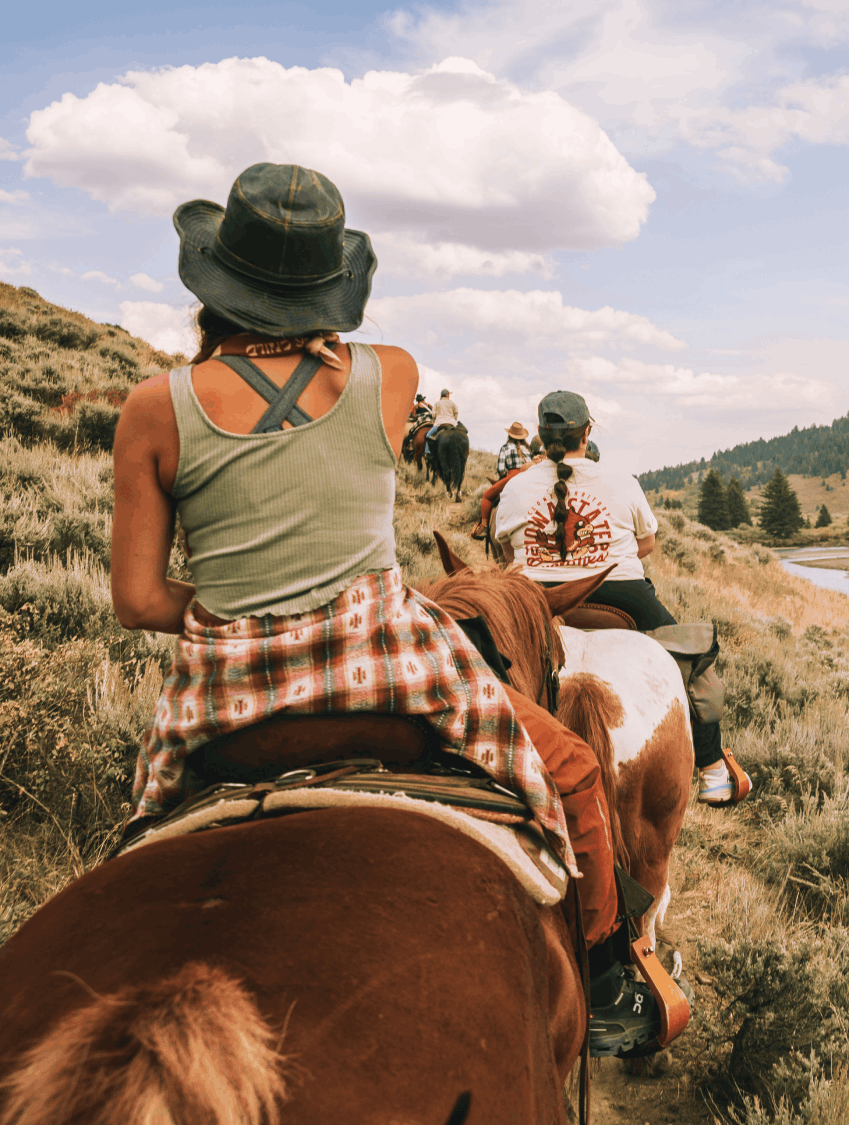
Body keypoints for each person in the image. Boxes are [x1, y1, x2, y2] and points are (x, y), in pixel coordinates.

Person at [108, 162, 669, 1057]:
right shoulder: (389, 374)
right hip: (393, 666)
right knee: (568, 769)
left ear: (214, 286)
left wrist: (242, 610)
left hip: (225, 693)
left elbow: (137, 599)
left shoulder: (153, 407)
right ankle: (608, 977)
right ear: (332, 290)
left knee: (135, 837)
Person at [494, 391, 750, 805]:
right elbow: (645, 543)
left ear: (540, 436)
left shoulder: (516, 487)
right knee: (692, 658)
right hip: (620, 591)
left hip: (534, 597)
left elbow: (507, 554)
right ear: (587, 432)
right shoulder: (620, 481)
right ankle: (712, 769)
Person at [425, 388, 459, 462]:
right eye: (449, 394)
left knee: (428, 435)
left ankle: (427, 452)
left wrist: (434, 420)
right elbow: (456, 413)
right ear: (447, 395)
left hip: (439, 423)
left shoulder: (437, 403)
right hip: (452, 423)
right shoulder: (452, 403)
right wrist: (454, 419)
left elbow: (433, 415)